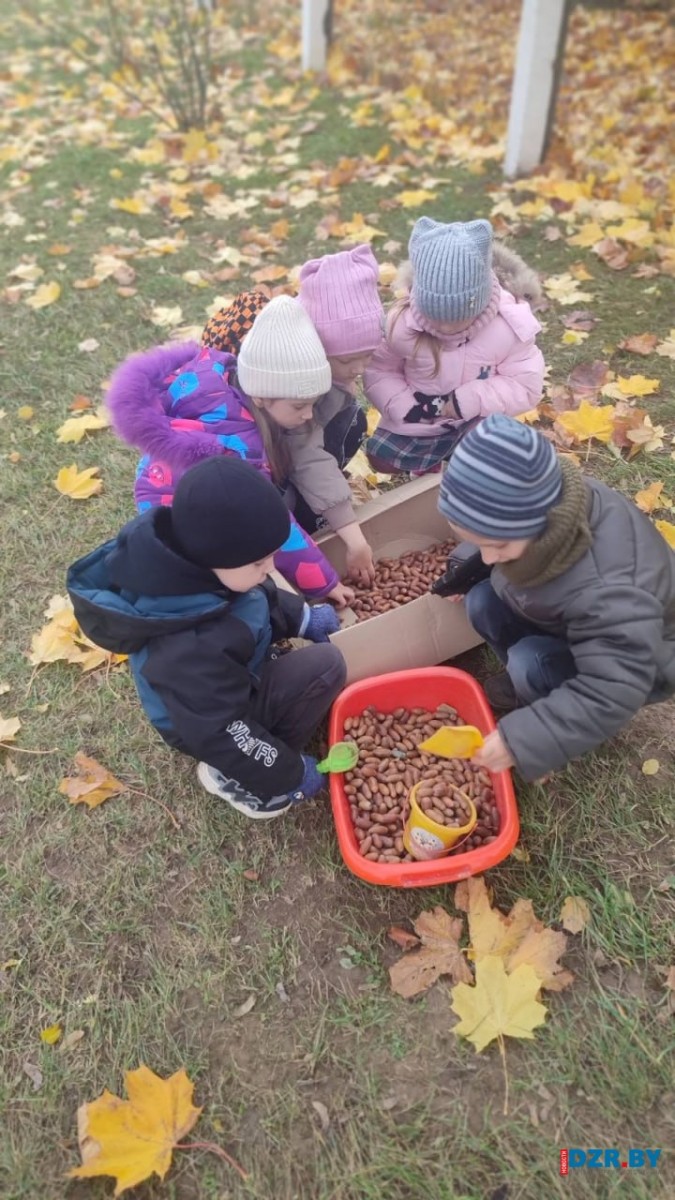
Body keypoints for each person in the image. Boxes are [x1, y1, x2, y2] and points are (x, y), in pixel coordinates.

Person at [67, 457, 347, 819]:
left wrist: (303, 617)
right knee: (325, 668)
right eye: (260, 562)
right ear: (213, 558)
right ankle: (234, 776)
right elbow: (221, 730)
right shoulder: (188, 649)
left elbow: (259, 598)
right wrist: (287, 773)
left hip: (223, 681)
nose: (271, 569)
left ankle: (260, 715)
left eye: (271, 557)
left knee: (319, 662)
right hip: (204, 723)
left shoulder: (217, 569)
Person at [436, 413, 675, 781]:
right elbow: (494, 543)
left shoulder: (610, 590)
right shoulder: (550, 506)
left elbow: (613, 687)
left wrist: (529, 741)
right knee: (482, 599)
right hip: (573, 615)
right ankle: (529, 690)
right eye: (477, 543)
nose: (487, 556)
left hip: (639, 659)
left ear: (538, 525)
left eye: (496, 545)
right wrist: (463, 575)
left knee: (530, 661)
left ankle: (548, 709)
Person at [106, 295, 352, 607]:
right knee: (220, 582)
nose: (308, 416)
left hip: (169, 489)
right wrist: (324, 582)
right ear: (261, 397)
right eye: (300, 406)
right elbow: (271, 523)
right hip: (178, 515)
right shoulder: (238, 446)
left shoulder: (220, 374)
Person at [363, 217, 544, 476]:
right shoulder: (402, 324)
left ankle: (468, 473)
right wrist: (402, 405)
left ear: (481, 301)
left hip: (480, 419)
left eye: (459, 318)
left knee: (499, 460)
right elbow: (380, 370)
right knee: (383, 455)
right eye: (436, 317)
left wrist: (468, 400)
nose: (446, 328)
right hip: (422, 418)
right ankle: (428, 471)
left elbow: (524, 385)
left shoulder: (509, 326)